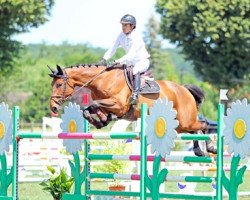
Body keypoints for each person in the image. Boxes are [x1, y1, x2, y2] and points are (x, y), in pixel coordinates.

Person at [99, 14, 150, 105]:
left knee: (135, 70)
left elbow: (130, 55)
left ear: (132, 26)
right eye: (122, 25)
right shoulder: (121, 36)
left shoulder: (137, 37)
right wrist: (104, 58)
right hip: (131, 63)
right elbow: (112, 48)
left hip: (142, 62)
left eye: (125, 25)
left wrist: (117, 61)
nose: (123, 27)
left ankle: (135, 95)